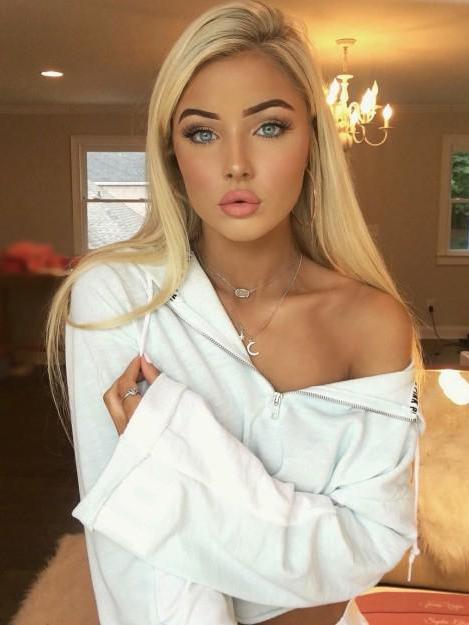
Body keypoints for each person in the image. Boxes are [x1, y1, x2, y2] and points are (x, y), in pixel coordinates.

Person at [45, 1, 427, 624]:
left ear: (313, 141)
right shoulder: (118, 298)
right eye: (202, 132)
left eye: (269, 127)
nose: (236, 163)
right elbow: (137, 562)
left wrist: (174, 454)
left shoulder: (372, 321)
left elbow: (371, 546)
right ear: (172, 155)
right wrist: (309, 535)